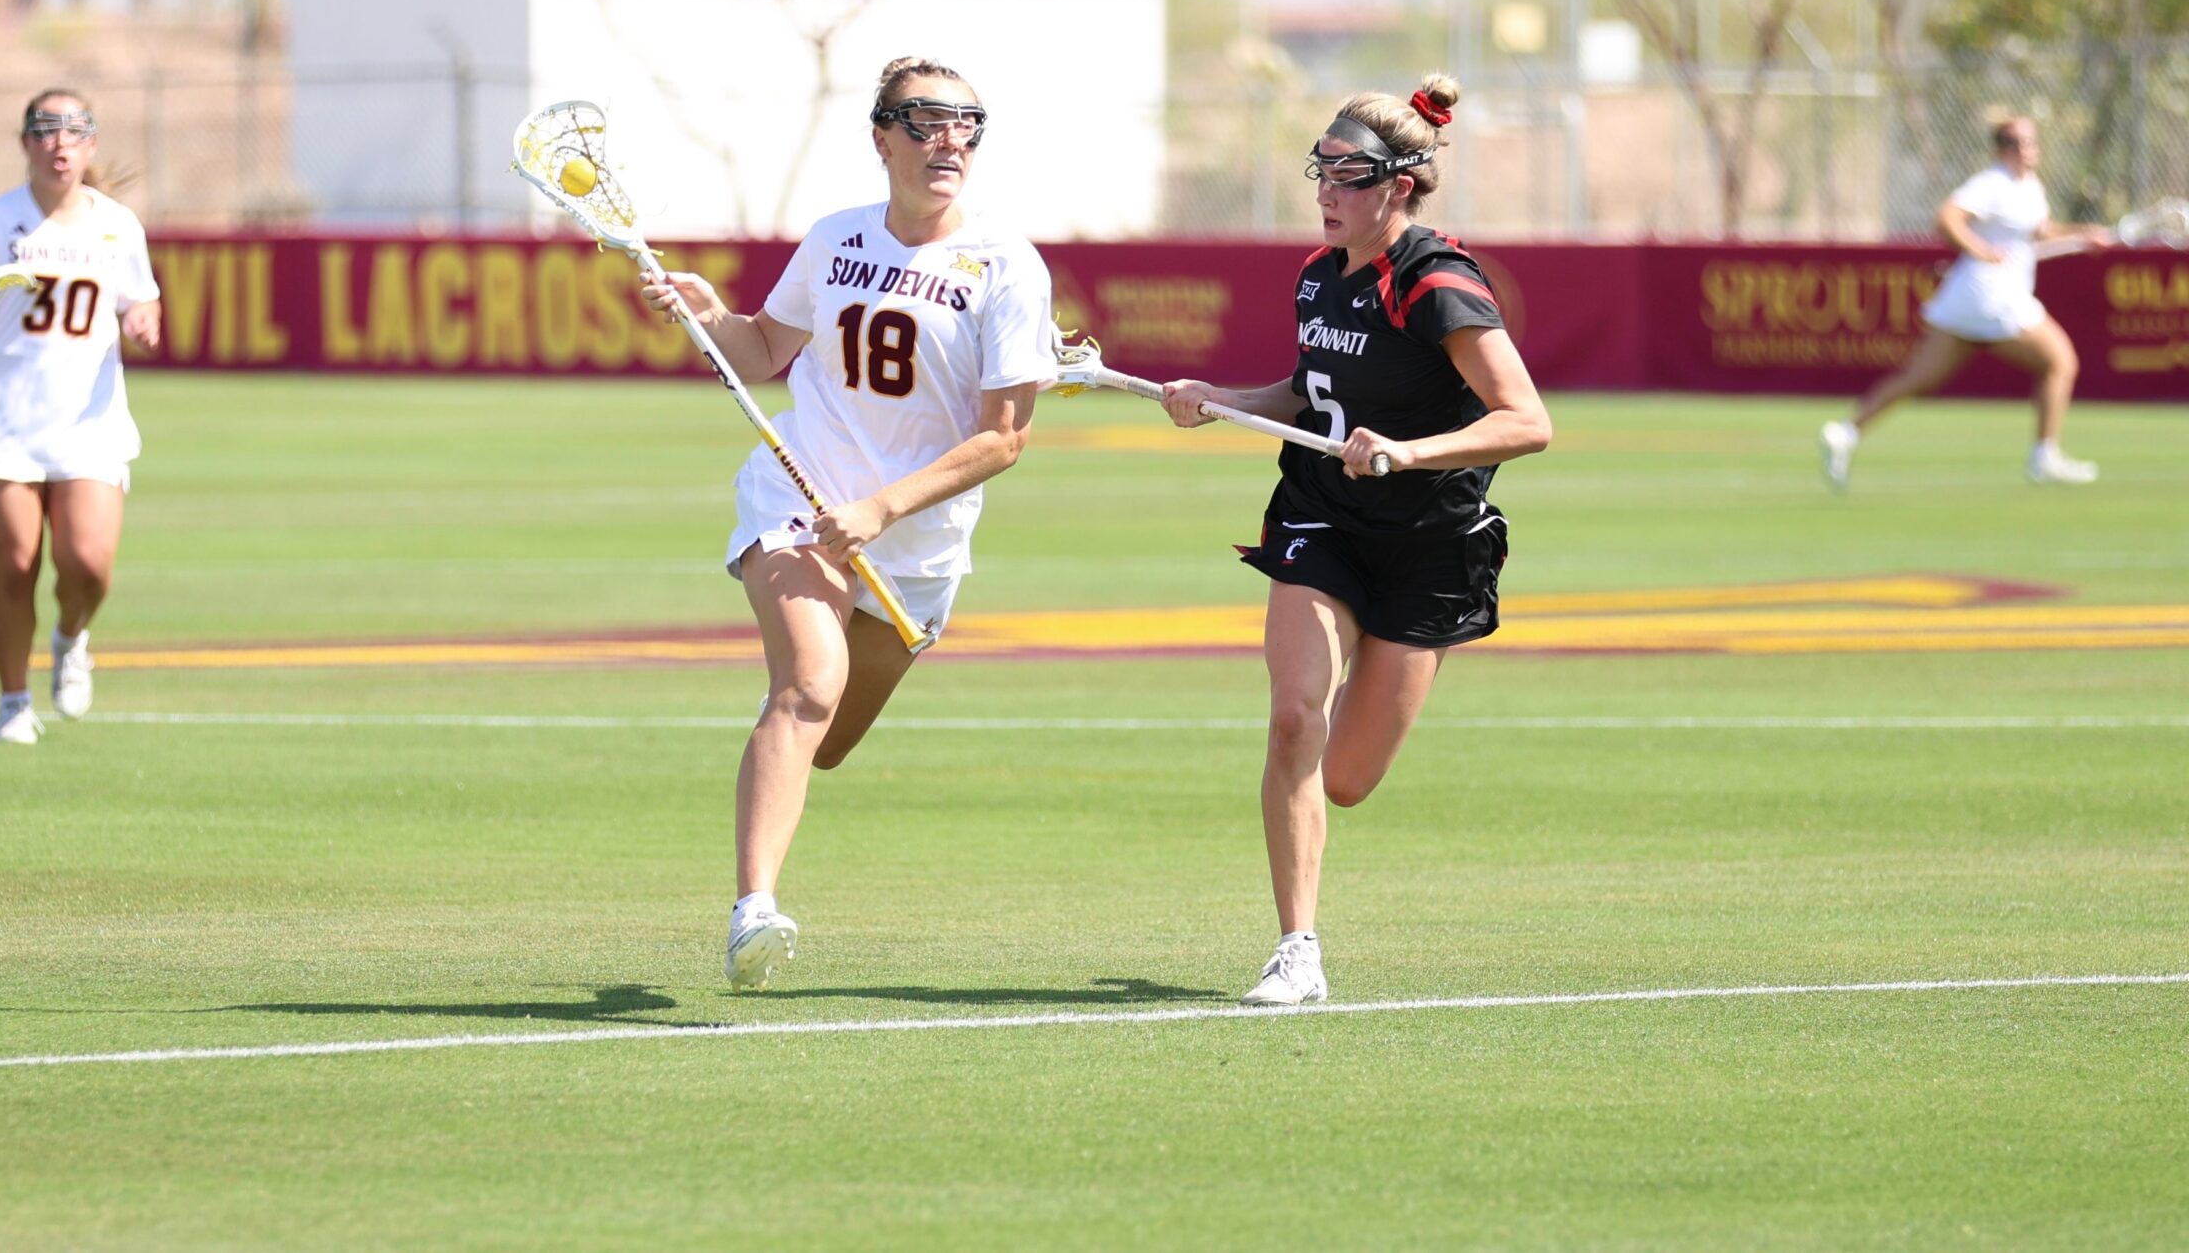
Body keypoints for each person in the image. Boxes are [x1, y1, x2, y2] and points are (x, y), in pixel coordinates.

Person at [638, 56, 1057, 988]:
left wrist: (882, 508)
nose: (949, 139)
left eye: (967, 124)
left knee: (823, 739)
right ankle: (753, 912)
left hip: (914, 543)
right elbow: (761, 350)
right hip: (801, 495)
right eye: (926, 121)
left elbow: (1004, 438)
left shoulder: (1007, 265)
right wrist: (710, 317)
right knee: (809, 682)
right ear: (881, 137)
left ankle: (783, 744)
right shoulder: (835, 238)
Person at [1158, 74, 1552, 1007]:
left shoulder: (1437, 284)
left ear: (1400, 185)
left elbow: (1527, 421)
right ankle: (1296, 949)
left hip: (1431, 544)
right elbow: (1310, 392)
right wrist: (1222, 400)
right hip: (1323, 517)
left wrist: (1408, 452)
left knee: (1345, 779)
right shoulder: (1317, 274)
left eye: (1349, 175)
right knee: (1296, 718)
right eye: (1321, 170)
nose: (1327, 192)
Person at [0, 90, 162, 745]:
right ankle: (13, 701)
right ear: (25, 142)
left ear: (91, 144)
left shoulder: (118, 226)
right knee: (16, 565)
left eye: (74, 130)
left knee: (87, 564)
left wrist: (142, 321)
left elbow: (142, 299)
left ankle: (71, 636)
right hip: (6, 427)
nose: (60, 142)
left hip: (89, 426)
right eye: (46, 129)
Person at [1819, 113, 2113, 489]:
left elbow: (2041, 231)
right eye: (2015, 143)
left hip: (1967, 301)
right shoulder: (1991, 184)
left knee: (1919, 379)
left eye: (2030, 142)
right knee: (2060, 362)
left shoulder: (2029, 187)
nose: (2026, 149)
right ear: (2000, 149)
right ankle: (2044, 456)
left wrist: (2084, 234)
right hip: (1991, 297)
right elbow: (1947, 218)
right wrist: (1979, 250)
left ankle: (1844, 435)